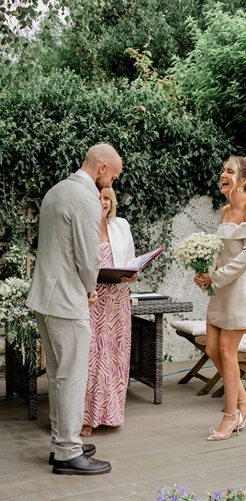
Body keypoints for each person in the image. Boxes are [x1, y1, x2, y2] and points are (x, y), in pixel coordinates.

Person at [26, 143, 122, 475]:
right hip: (66, 302)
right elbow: (88, 257)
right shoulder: (86, 199)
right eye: (113, 177)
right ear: (103, 168)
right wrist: (89, 289)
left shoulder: (57, 190)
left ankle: (60, 443)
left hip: (45, 298)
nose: (111, 185)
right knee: (73, 375)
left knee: (58, 374)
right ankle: (68, 452)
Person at [194, 155, 246, 440]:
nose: (222, 174)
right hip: (220, 287)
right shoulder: (225, 211)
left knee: (227, 351)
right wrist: (206, 274)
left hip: (241, 288)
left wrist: (218, 276)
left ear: (244, 180)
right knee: (212, 348)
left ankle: (230, 416)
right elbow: (220, 251)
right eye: (223, 170)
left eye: (229, 171)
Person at [81, 187, 138, 437]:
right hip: (90, 300)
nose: (102, 202)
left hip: (117, 301)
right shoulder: (82, 226)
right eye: (97, 198)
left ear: (112, 202)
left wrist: (132, 274)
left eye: (106, 198)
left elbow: (132, 262)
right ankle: (84, 418)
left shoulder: (122, 225)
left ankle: (111, 415)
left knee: (114, 357)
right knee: (90, 358)